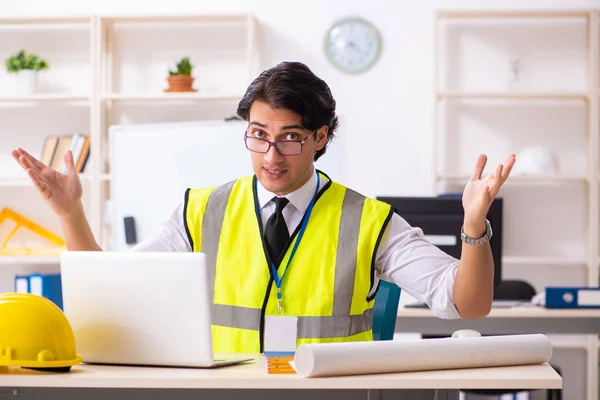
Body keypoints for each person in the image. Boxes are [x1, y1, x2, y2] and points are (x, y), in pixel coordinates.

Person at [12, 61, 515, 354]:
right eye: (258, 136)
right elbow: (113, 293)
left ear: (320, 139)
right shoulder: (200, 210)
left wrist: (475, 227)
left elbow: (467, 304)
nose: (271, 156)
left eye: (290, 139)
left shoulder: (370, 220)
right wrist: (70, 214)